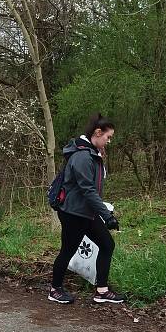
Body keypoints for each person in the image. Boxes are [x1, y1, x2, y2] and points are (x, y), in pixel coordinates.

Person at [49, 113, 125, 305]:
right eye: (108, 137)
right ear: (97, 133)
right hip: (73, 213)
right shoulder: (82, 156)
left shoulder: (92, 153)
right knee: (68, 250)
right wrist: (106, 215)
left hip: (86, 212)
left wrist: (102, 212)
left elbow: (92, 189)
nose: (109, 141)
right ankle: (55, 289)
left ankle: (102, 291)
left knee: (107, 244)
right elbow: (87, 189)